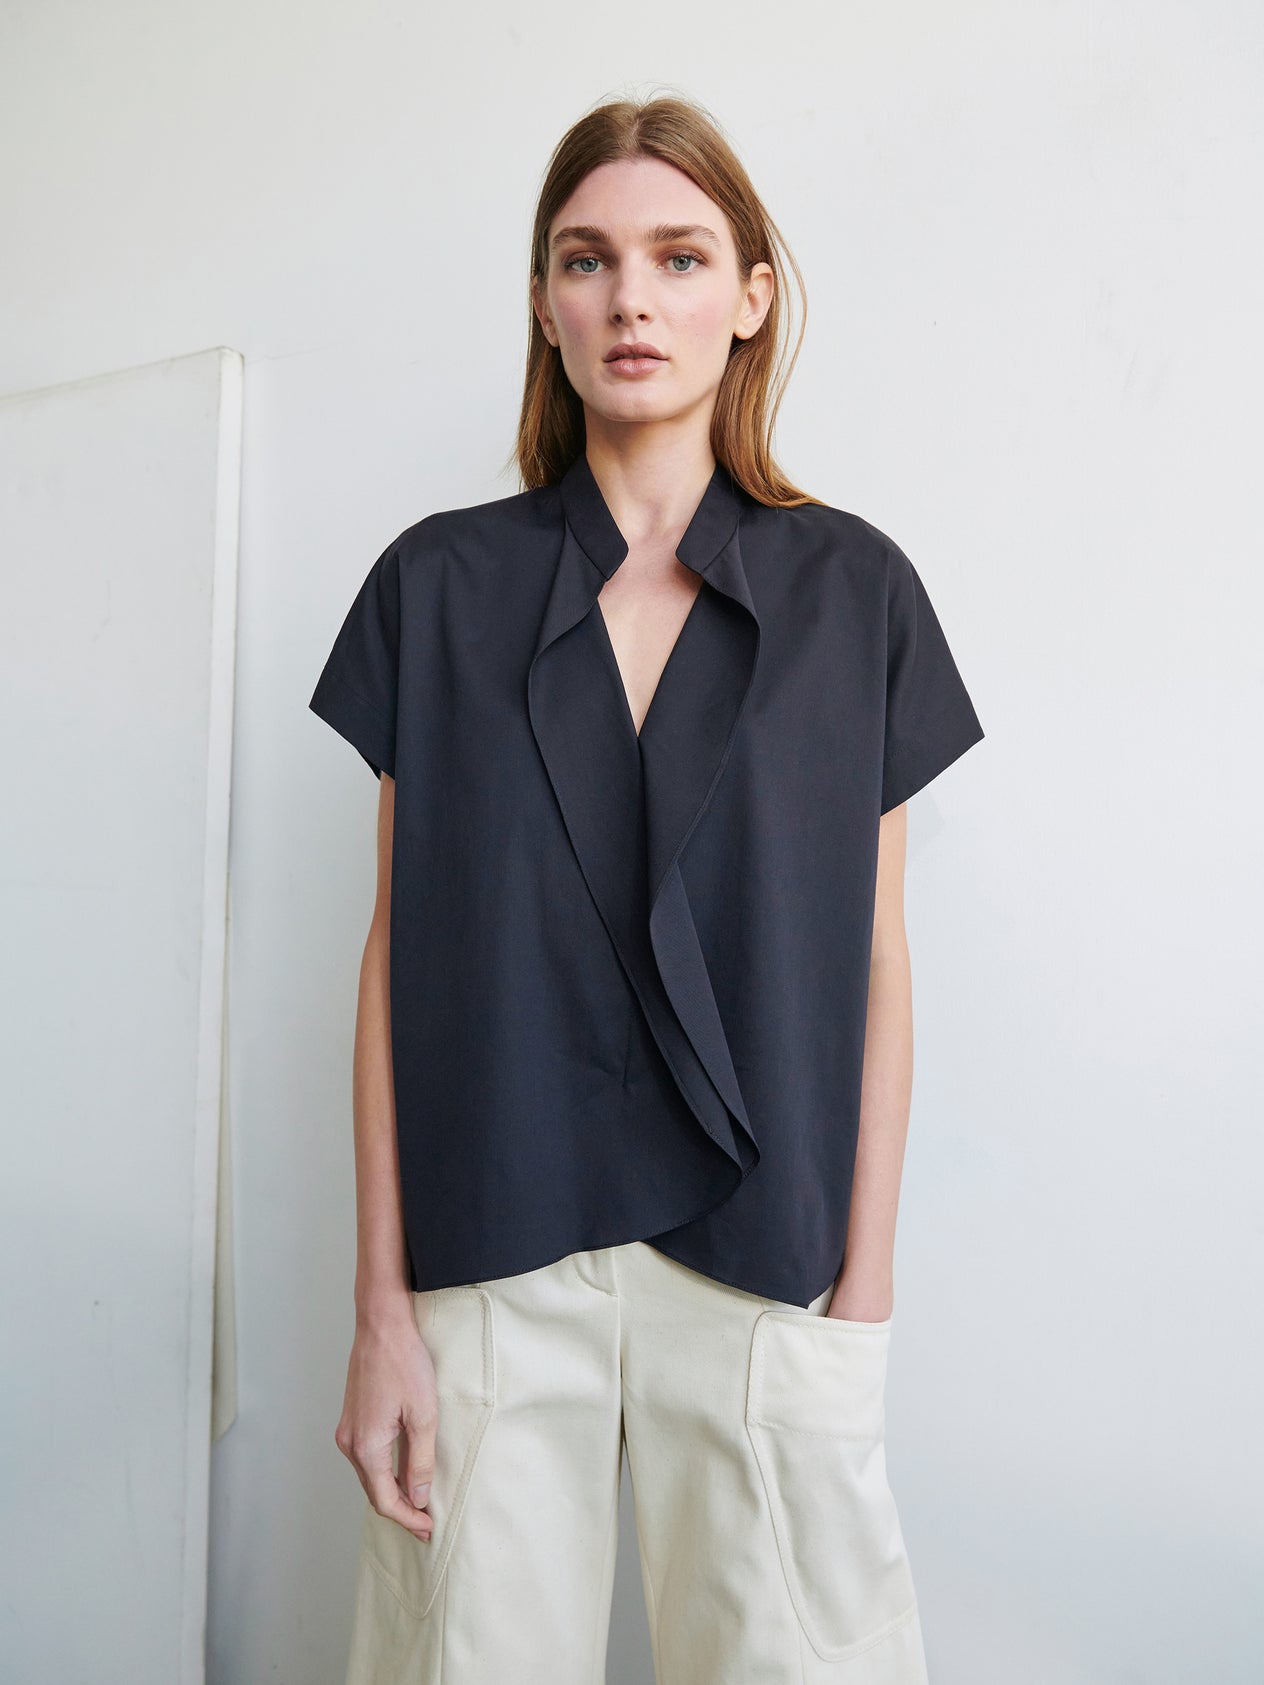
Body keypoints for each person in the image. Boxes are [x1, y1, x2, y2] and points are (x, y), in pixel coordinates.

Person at [310, 92, 985, 1685]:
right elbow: (397, 957)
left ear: (751, 294)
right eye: (588, 259)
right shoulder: (439, 585)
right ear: (545, 305)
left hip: (767, 1268)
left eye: (680, 257)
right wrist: (384, 1311)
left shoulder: (855, 592)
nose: (632, 300)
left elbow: (878, 969)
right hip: (491, 1252)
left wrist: (861, 1305)